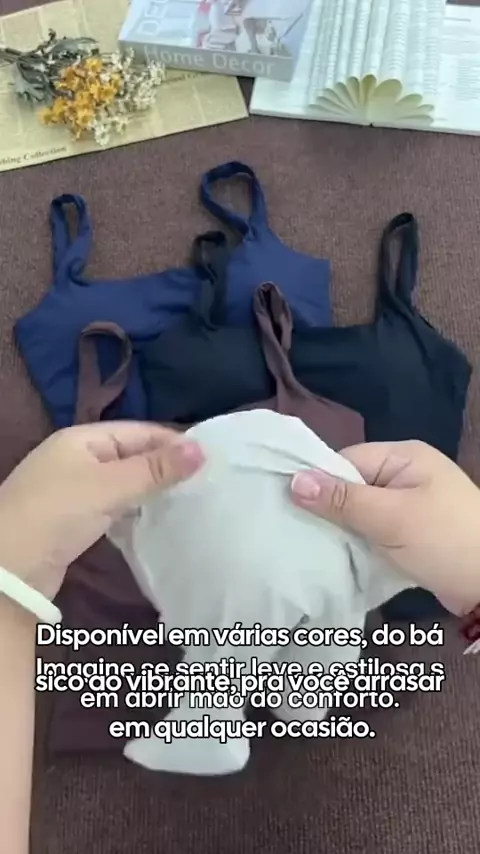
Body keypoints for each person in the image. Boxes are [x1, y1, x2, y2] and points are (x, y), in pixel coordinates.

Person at [1, 423, 480, 853]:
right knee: (314, 650)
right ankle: (287, 701)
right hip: (309, 559)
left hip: (212, 545)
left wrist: (13, 577)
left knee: (256, 625)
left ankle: (239, 696)